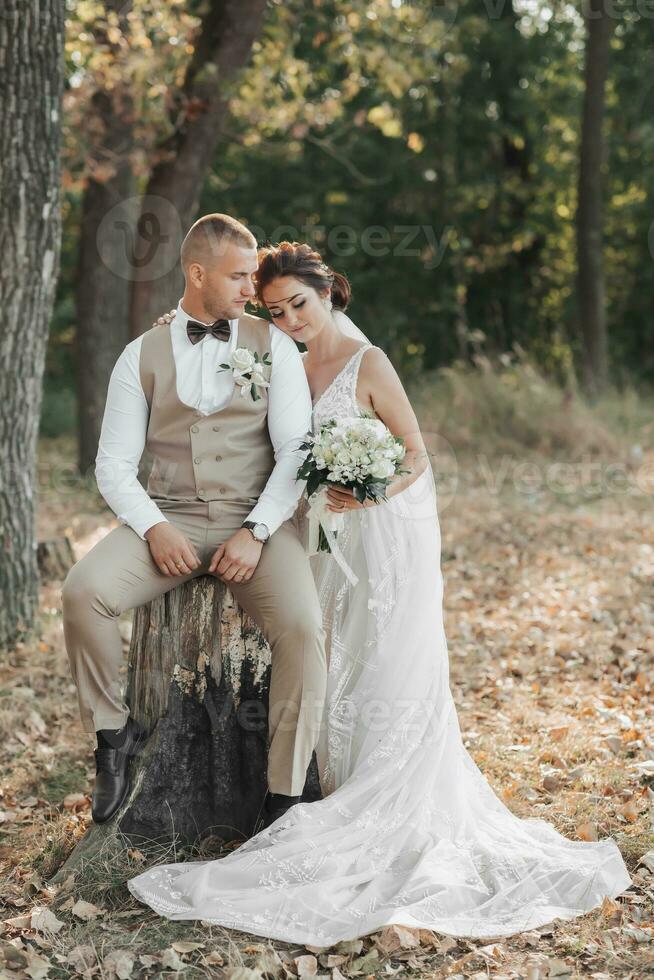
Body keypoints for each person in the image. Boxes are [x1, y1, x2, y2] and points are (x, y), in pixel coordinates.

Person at [127, 241, 632, 947]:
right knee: (336, 661)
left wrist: (370, 489)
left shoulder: (369, 363)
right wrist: (170, 326)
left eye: (299, 304)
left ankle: (394, 796)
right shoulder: (274, 361)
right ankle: (341, 789)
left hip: (386, 531)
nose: (291, 320)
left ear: (329, 290)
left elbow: (416, 452)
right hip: (318, 538)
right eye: (275, 311)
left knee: (388, 658)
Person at [61, 218, 327, 830]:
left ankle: (284, 796)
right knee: (83, 593)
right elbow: (113, 466)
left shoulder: (274, 345)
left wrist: (257, 530)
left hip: (252, 521)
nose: (251, 288)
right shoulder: (140, 354)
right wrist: (153, 527)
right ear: (197, 274)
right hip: (169, 517)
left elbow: (296, 451)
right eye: (239, 275)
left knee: (303, 628)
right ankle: (113, 740)